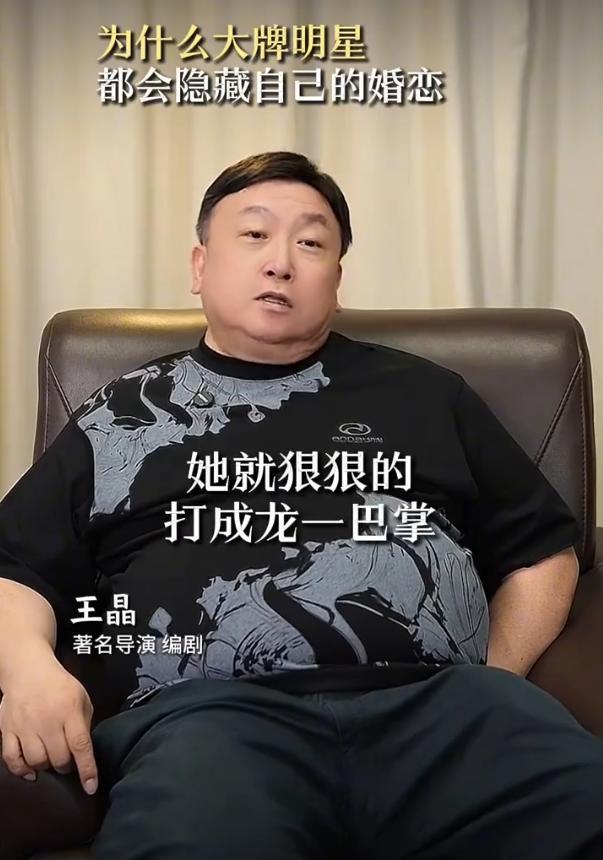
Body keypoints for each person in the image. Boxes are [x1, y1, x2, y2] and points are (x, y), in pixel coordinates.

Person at [0, 150, 600, 860]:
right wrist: (28, 668)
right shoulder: (124, 415)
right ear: (200, 266)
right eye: (254, 235)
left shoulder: (425, 394)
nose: (281, 262)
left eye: (311, 243)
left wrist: (493, 675)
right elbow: (19, 565)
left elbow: (541, 551)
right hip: (209, 724)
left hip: (449, 711)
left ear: (336, 281)